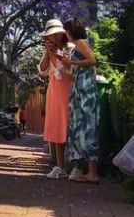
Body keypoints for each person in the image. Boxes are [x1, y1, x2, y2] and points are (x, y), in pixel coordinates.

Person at [58, 18, 100, 184]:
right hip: (79, 90)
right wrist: (64, 60)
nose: (65, 34)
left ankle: (93, 173)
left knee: (88, 128)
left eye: (66, 30)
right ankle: (88, 171)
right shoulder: (74, 46)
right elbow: (71, 71)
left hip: (86, 92)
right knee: (82, 128)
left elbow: (92, 60)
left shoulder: (81, 42)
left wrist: (72, 61)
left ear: (72, 30)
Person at [38, 18, 73, 179]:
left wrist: (58, 54)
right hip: (54, 91)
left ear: (62, 33)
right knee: (57, 126)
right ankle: (60, 166)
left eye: (56, 34)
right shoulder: (48, 51)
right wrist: (47, 52)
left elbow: (71, 67)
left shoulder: (70, 48)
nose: (53, 37)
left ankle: (76, 166)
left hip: (69, 90)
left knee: (71, 126)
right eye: (50, 35)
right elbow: (43, 70)